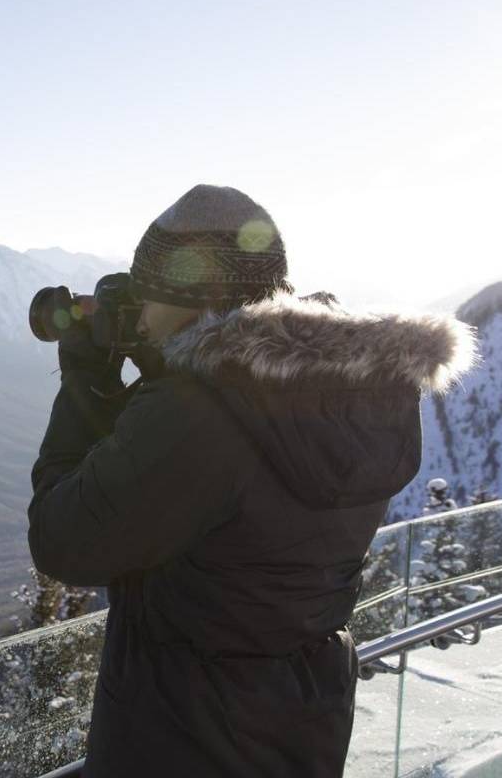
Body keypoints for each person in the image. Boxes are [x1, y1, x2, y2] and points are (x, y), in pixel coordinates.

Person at [27, 185, 477, 776]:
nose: (138, 313)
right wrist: (176, 369)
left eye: (148, 295)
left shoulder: (198, 415)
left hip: (181, 737)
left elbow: (61, 539)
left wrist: (85, 381)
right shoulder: (353, 390)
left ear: (193, 301)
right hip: (301, 723)